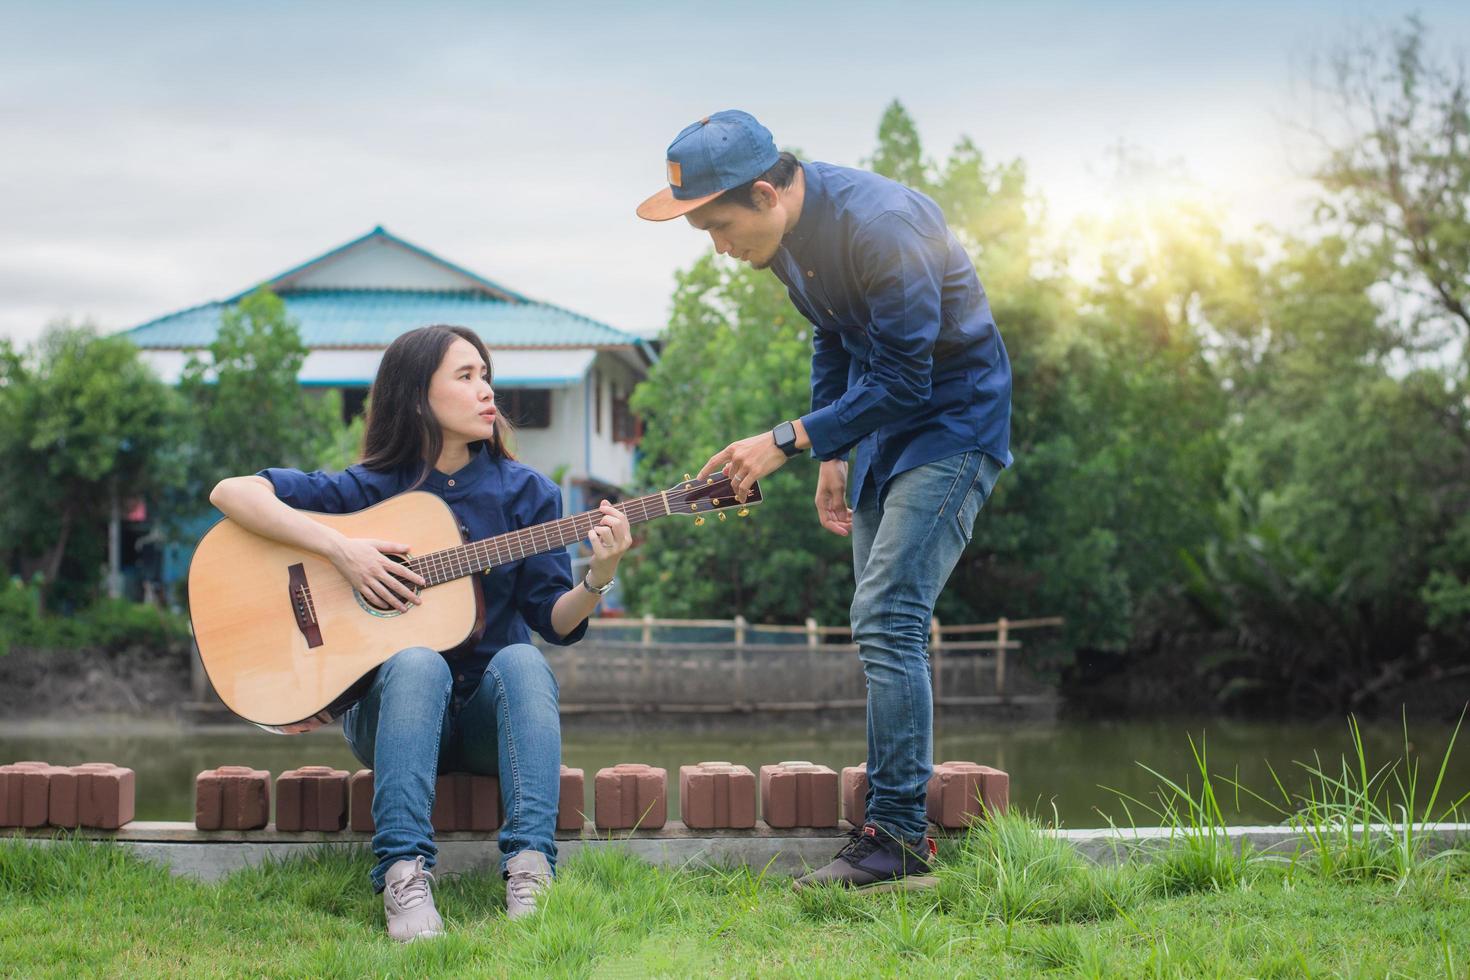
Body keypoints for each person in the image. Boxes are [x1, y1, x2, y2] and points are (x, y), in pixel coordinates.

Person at [637, 110, 1012, 891]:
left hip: (952, 424)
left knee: (888, 616)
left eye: (720, 225)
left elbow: (910, 378)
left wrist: (786, 439)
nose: (717, 247)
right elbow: (833, 338)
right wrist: (830, 450)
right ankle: (887, 831)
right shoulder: (787, 244)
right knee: (879, 625)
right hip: (879, 432)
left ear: (768, 193)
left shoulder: (882, 227)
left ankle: (900, 840)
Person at [209, 324, 631, 939]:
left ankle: (530, 872)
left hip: (490, 720)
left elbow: (553, 620)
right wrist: (342, 549)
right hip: (395, 715)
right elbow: (231, 491)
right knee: (416, 661)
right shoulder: (367, 490)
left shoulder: (529, 495)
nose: (487, 390)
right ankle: (404, 877)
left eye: (486, 374)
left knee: (522, 661)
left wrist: (600, 574)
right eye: (465, 376)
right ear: (415, 397)